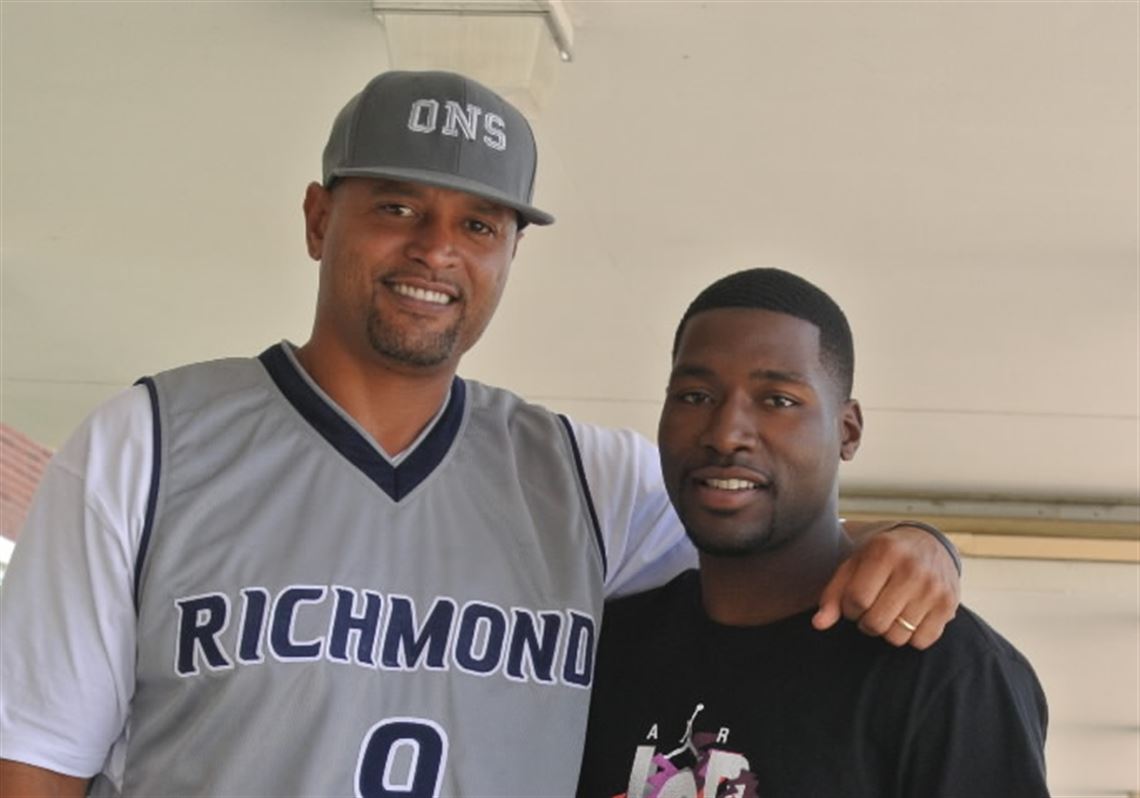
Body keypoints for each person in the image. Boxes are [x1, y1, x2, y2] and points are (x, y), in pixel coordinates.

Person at [0, 72, 960, 798]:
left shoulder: (586, 479)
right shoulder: (147, 445)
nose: (435, 249)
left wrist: (922, 547)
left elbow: (780, 544)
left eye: (479, 225)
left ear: (509, 255)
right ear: (319, 218)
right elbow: (35, 761)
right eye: (396, 207)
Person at [576, 268, 1049, 798]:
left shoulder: (945, 671)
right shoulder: (604, 651)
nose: (725, 434)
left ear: (847, 431)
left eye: (777, 399)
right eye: (694, 395)